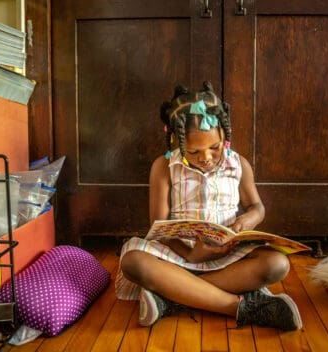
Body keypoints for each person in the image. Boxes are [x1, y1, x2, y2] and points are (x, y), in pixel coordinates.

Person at [115, 82, 302, 331]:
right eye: (193, 151)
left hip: (228, 257)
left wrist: (249, 220)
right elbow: (158, 228)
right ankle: (240, 307)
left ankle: (172, 296)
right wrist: (193, 254)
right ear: (176, 140)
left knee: (277, 264)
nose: (205, 157)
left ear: (225, 134)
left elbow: (257, 206)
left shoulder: (239, 165)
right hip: (178, 255)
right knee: (132, 262)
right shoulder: (164, 167)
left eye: (214, 147)